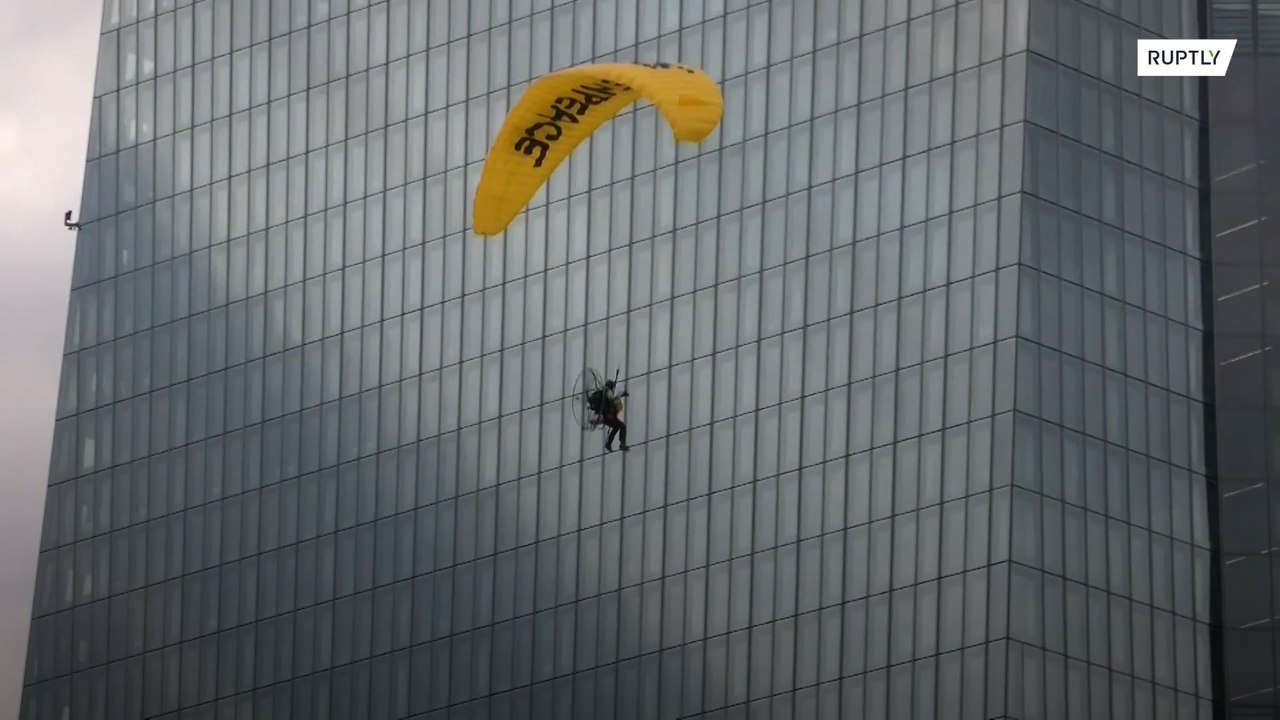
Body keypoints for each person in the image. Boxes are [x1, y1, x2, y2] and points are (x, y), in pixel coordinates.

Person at [594, 380, 629, 452]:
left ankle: (609, 444)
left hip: (606, 417)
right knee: (623, 426)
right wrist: (621, 394)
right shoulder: (608, 391)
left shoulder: (603, 393)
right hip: (609, 416)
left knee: (616, 427)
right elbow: (612, 398)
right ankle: (622, 443)